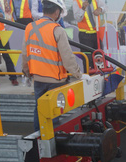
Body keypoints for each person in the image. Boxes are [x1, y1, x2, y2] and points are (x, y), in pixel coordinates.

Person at [22, 0, 82, 131]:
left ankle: (38, 138)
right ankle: (52, 140)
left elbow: (25, 54)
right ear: (56, 12)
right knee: (54, 111)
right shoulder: (57, 30)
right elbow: (67, 58)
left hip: (38, 79)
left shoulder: (29, 27)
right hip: (56, 81)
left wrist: (26, 73)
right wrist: (79, 75)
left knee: (39, 110)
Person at [73, 0, 106, 70]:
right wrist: (82, 9)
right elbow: (77, 18)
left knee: (100, 57)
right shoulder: (77, 1)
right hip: (85, 35)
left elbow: (105, 7)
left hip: (97, 33)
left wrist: (100, 9)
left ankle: (101, 75)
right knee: (88, 60)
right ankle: (89, 77)